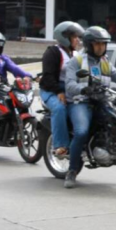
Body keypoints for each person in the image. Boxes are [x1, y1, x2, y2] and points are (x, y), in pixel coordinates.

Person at [64, 26, 116, 189]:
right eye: (97, 44)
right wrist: (83, 89)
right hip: (81, 102)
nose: (101, 47)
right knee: (81, 132)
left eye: (103, 44)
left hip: (101, 99)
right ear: (89, 44)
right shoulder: (77, 61)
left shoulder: (104, 61)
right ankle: (72, 171)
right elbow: (69, 84)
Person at [40, 21, 85, 159]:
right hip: (51, 90)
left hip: (70, 89)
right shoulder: (52, 52)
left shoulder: (76, 54)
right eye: (74, 37)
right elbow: (47, 77)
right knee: (59, 108)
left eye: (78, 37)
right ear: (65, 37)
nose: (77, 40)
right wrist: (59, 91)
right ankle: (60, 146)